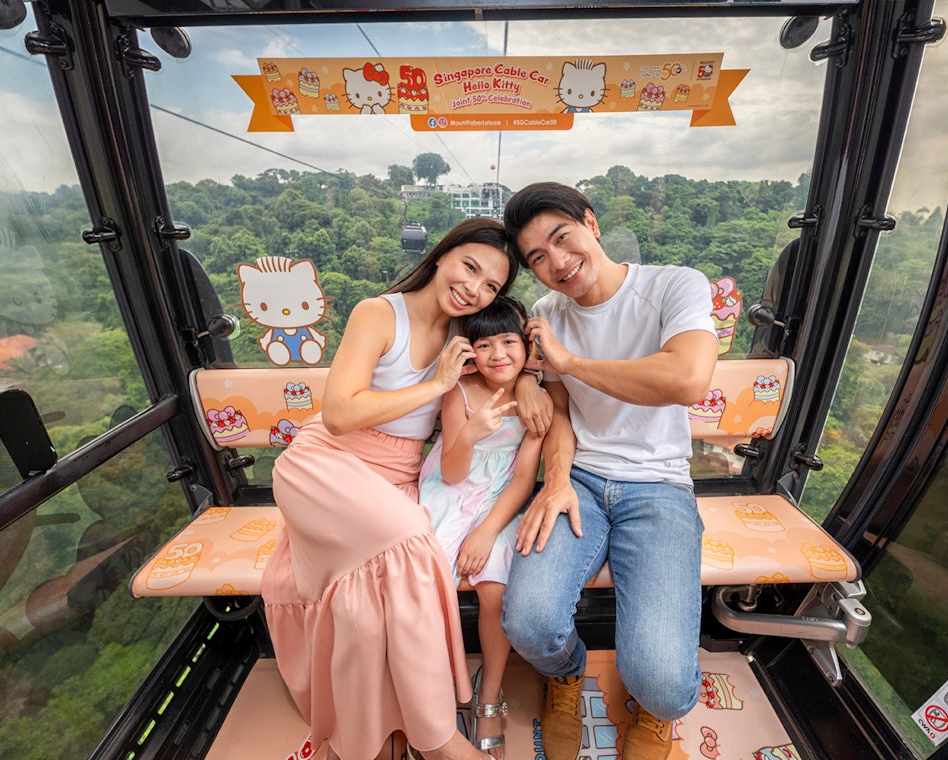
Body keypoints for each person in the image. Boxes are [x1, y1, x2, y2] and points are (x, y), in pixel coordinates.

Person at [261, 217, 549, 760]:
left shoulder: (465, 330)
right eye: (469, 267)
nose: (474, 288)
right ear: (441, 256)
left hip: (395, 473)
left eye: (490, 284)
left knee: (373, 603)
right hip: (327, 462)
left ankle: (388, 724)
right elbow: (339, 413)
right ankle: (438, 739)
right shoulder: (379, 313)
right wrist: (436, 383)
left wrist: (531, 380)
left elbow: (507, 353)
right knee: (413, 541)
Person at [499, 182, 719, 760]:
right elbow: (561, 412)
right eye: (537, 258)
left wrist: (569, 362)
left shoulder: (674, 285)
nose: (557, 262)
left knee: (664, 684)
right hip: (581, 478)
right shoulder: (547, 313)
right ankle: (567, 674)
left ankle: (654, 710)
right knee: (528, 622)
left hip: (659, 485)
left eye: (562, 237)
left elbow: (686, 379)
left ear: (590, 222)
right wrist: (556, 480)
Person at [418, 296, 545, 759]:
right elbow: (452, 473)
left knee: (494, 588)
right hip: (452, 489)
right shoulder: (460, 391)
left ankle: (488, 691)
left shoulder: (535, 401)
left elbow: (524, 479)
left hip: (500, 501)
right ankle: (428, 689)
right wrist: (471, 433)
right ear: (470, 350)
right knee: (427, 578)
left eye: (509, 342)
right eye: (485, 345)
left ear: (525, 345)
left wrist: (488, 530)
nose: (498, 355)